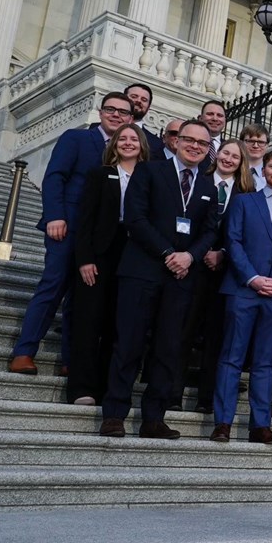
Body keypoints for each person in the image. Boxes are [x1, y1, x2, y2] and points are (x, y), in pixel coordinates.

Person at [99, 118, 219, 439]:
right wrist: (168, 252)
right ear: (176, 141)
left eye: (202, 143)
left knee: (169, 349)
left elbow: (209, 231)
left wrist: (190, 256)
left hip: (181, 278)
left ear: (209, 149)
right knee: (129, 343)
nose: (195, 146)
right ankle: (114, 413)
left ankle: (154, 417)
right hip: (143, 270)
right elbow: (136, 219)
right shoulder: (150, 171)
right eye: (189, 140)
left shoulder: (208, 185)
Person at [9, 91, 133, 377]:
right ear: (100, 112)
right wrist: (55, 215)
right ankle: (24, 351)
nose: (116, 115)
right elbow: (55, 176)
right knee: (53, 287)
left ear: (131, 118)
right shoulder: (76, 139)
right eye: (110, 109)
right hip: (67, 228)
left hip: (98, 239)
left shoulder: (127, 151)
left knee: (81, 298)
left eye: (123, 112)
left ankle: (70, 359)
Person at [210, 149, 272, 445]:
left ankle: (260, 425)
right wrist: (252, 278)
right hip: (243, 290)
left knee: (265, 363)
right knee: (231, 357)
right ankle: (223, 422)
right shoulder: (244, 202)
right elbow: (234, 240)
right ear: (263, 171)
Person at [68, 123, 148, 405]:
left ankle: (106, 388)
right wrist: (85, 259)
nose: (128, 143)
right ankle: (82, 388)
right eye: (122, 139)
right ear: (113, 145)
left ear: (142, 145)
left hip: (135, 255)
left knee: (119, 324)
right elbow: (85, 221)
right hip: (100, 254)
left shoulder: (150, 176)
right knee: (89, 321)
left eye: (133, 138)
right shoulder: (100, 175)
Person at [177, 139, 255, 413]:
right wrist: (199, 253)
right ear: (217, 154)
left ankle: (206, 397)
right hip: (193, 265)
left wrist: (222, 252)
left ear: (241, 162)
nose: (229, 159)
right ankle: (173, 392)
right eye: (226, 153)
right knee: (184, 330)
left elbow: (247, 234)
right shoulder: (199, 180)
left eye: (235, 156)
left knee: (216, 336)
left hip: (225, 271)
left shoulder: (247, 193)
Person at [122, 83, 166, 159]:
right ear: (123, 99)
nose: (138, 101)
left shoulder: (156, 144)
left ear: (148, 107)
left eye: (144, 100)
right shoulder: (100, 128)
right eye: (134, 97)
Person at [238, 123, 269, 190]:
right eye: (250, 141)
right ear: (241, 143)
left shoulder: (271, 173)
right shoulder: (233, 168)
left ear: (267, 145)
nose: (255, 146)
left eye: (261, 142)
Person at [199, 100, 226, 164]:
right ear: (200, 118)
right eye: (210, 114)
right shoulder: (191, 143)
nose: (215, 119)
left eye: (219, 115)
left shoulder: (229, 147)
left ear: (225, 121)